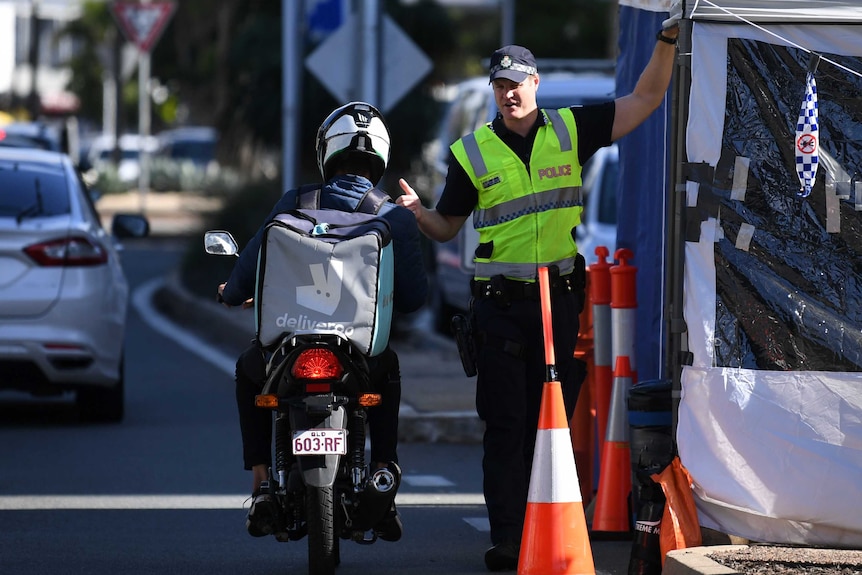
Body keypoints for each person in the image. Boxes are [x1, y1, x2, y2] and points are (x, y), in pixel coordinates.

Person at [395, 7, 682, 571]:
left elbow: (646, 99)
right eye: (499, 85)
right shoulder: (471, 153)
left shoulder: (572, 130)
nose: (508, 94)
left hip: (559, 303)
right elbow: (447, 225)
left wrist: (667, 40)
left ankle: (545, 527)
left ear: (535, 84)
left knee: (553, 424)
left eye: (516, 83)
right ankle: (507, 537)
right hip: (499, 308)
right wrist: (417, 213)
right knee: (507, 426)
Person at [218, 101, 427, 541]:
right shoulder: (394, 217)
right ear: (382, 156)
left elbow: (252, 264)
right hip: (359, 359)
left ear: (326, 153)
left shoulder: (294, 202)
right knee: (386, 374)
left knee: (247, 371)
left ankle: (259, 478)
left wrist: (232, 293)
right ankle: (383, 471)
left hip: (290, 353)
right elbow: (413, 299)